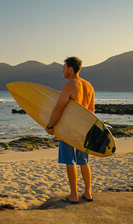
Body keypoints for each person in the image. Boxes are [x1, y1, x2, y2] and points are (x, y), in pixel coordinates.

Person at [45, 57, 95, 204]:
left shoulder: (69, 85)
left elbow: (59, 107)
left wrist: (50, 125)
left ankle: (73, 195)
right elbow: (91, 111)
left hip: (69, 129)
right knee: (84, 161)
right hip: (85, 128)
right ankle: (88, 193)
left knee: (70, 161)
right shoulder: (89, 86)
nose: (62, 70)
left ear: (71, 69)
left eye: (64, 67)